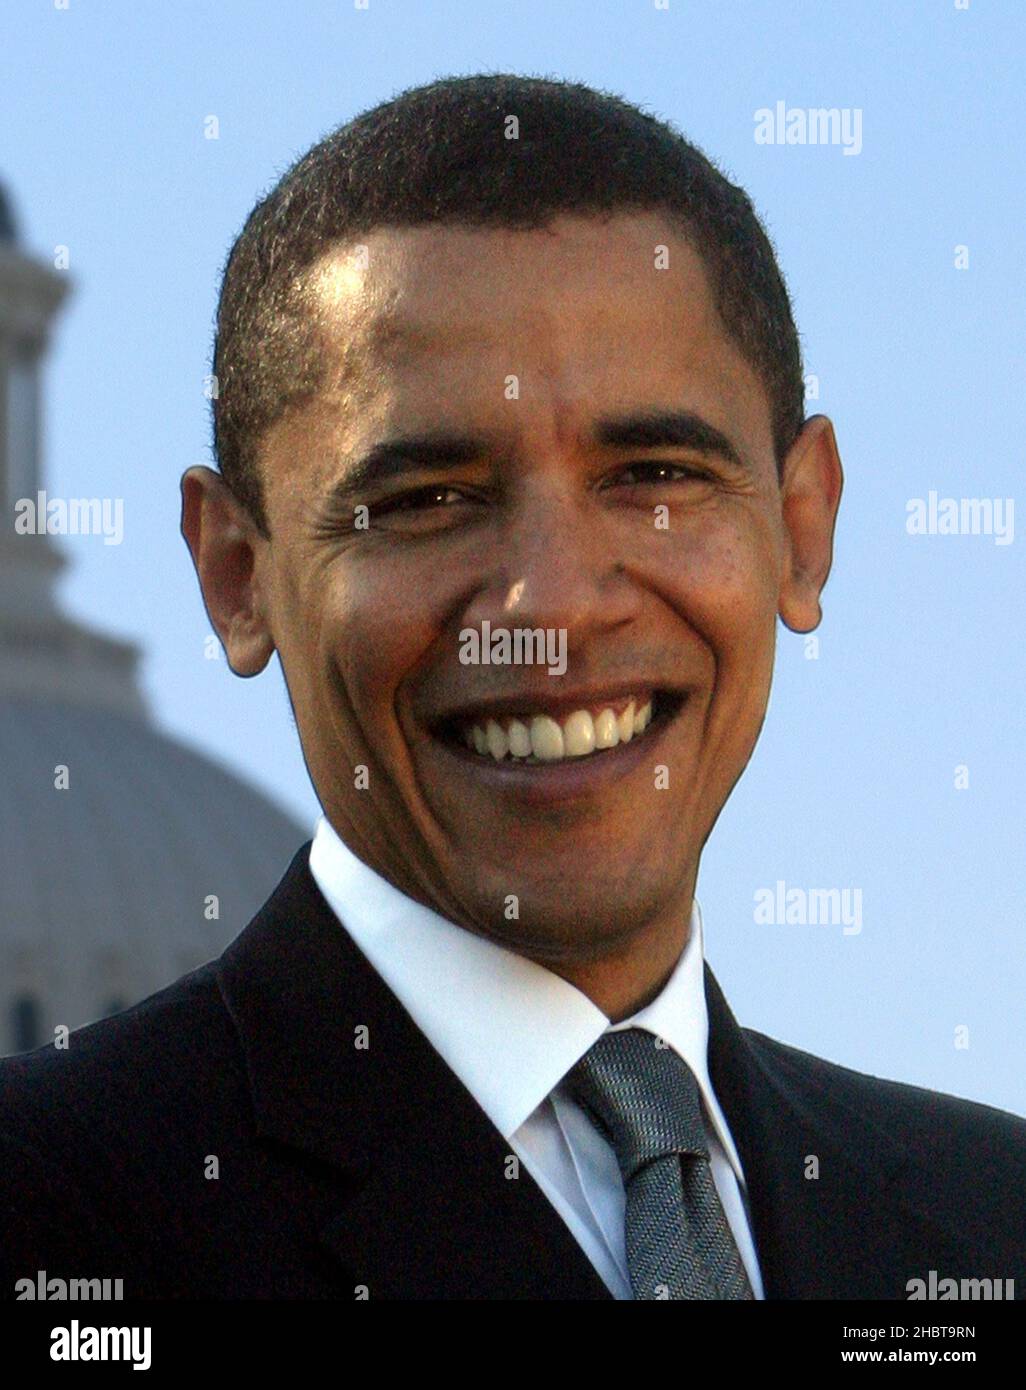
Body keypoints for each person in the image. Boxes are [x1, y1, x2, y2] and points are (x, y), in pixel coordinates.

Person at [2, 74, 1023, 1302]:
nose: (550, 608)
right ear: (237, 574)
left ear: (803, 528)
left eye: (653, 473)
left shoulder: (988, 1221)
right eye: (426, 500)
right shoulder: (56, 1229)